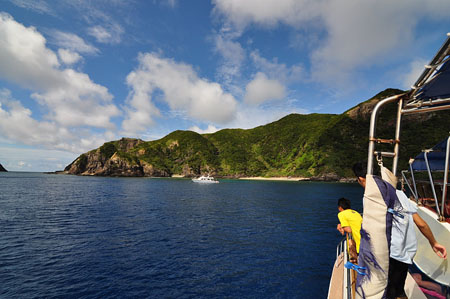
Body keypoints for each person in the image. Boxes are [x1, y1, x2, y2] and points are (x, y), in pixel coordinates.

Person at [352, 161, 447, 299]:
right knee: (398, 289)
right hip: (407, 253)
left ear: (360, 179)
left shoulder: (370, 198)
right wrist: (434, 243)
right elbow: (421, 224)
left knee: (385, 292)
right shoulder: (400, 194)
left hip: (390, 254)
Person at [337, 197, 362, 262]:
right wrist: (341, 225)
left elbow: (349, 230)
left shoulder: (341, 214)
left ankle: (355, 259)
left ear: (340, 207)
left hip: (359, 247)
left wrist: (341, 228)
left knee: (350, 241)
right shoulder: (356, 213)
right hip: (366, 242)